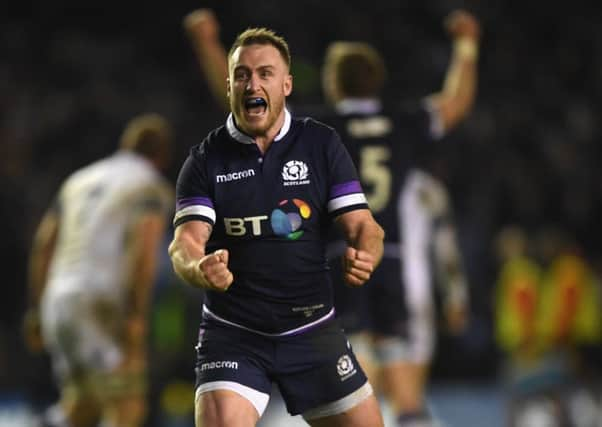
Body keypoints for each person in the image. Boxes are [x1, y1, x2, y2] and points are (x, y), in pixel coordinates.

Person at [183, 9, 480, 426]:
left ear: (333, 83)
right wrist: (467, 45)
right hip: (395, 260)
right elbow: (456, 103)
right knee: (405, 392)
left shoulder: (320, 129)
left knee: (351, 368)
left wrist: (207, 43)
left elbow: (240, 102)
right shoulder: (404, 121)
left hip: (332, 261)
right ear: (377, 81)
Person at [168, 27, 386, 427]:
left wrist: (367, 252)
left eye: (265, 73)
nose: (253, 83)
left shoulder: (320, 144)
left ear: (286, 84)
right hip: (234, 334)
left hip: (312, 329)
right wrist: (199, 268)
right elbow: (185, 243)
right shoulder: (205, 160)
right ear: (229, 84)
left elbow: (364, 224)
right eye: (242, 74)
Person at [23, 113, 174, 427]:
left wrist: (38, 308)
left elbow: (43, 245)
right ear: (161, 157)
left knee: (82, 406)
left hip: (59, 297)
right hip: (101, 300)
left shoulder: (78, 180)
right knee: (128, 404)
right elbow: (144, 251)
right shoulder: (149, 186)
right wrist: (135, 313)